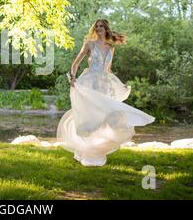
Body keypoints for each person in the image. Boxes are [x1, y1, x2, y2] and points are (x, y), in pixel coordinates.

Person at [56, 19, 154, 166]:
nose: (99, 28)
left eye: (101, 26)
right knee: (91, 117)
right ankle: (85, 149)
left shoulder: (110, 47)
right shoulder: (89, 44)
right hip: (90, 82)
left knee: (105, 116)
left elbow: (108, 70)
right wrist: (72, 77)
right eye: (97, 26)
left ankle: (97, 149)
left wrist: (120, 85)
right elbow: (76, 63)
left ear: (106, 29)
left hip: (105, 84)